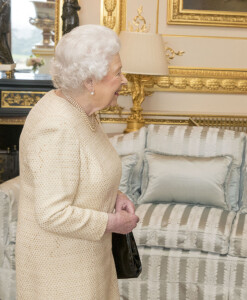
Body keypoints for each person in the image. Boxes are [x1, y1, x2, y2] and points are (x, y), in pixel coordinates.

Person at [15, 24, 139, 300]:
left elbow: (85, 170)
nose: (124, 80)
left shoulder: (83, 111)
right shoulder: (56, 126)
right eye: (117, 73)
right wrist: (112, 222)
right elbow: (52, 213)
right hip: (60, 274)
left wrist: (113, 194)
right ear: (90, 81)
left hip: (89, 261)